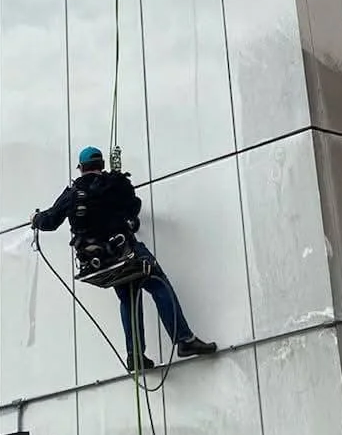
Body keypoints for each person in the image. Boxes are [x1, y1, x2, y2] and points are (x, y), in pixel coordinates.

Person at [32, 146, 217, 371]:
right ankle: (184, 340)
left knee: (129, 298)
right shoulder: (115, 184)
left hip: (98, 263)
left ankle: (135, 355)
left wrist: (36, 218)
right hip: (125, 252)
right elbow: (133, 207)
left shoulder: (73, 194)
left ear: (81, 168)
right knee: (160, 286)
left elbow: (50, 221)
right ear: (101, 165)